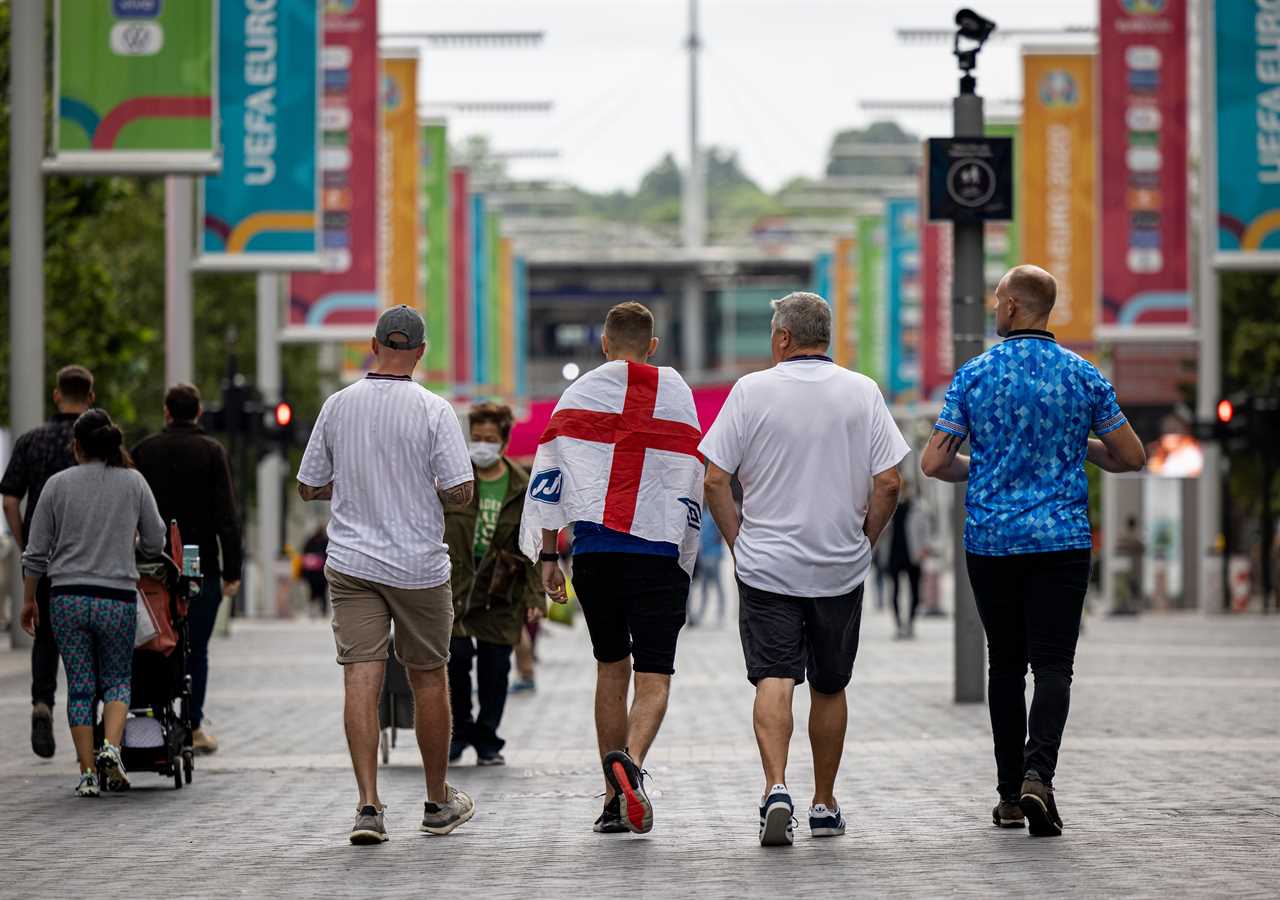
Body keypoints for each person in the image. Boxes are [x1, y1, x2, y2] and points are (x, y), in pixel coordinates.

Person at [921, 264, 1146, 837]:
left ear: (1015, 307)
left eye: (998, 300)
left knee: (1005, 665)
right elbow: (1130, 456)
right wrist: (1080, 446)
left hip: (992, 543)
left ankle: (1008, 795)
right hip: (1062, 542)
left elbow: (936, 463)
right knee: (1053, 666)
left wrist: (986, 466)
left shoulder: (974, 375)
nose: (994, 309)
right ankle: (1039, 776)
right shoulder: (1082, 376)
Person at [701, 292, 910, 847]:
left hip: (767, 566)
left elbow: (715, 479)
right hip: (839, 567)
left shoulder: (750, 391)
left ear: (784, 338)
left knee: (774, 676)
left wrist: (738, 541)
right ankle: (824, 802)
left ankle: (775, 788)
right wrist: (864, 541)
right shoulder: (862, 392)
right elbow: (890, 481)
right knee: (830, 685)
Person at [519, 301, 704, 836]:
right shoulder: (676, 393)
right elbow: (692, 471)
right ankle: (633, 766)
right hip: (659, 556)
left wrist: (551, 554)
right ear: (653, 345)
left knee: (610, 667)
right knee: (654, 676)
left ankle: (610, 796)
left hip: (597, 554)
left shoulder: (579, 393)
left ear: (603, 344)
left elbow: (553, 471)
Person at [297, 305, 477, 845]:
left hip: (351, 564)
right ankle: (437, 800)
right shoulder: (433, 410)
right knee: (428, 676)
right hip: (419, 565)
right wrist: (424, 488)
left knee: (360, 676)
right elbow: (460, 489)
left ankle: (368, 807)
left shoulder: (337, 406)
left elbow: (308, 486)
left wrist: (352, 486)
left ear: (373, 345)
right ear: (421, 352)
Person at [20, 409, 165, 797]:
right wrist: (136, 547)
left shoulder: (56, 485)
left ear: (77, 446)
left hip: (65, 598)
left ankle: (86, 775)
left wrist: (28, 600)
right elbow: (156, 538)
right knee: (118, 679)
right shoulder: (133, 482)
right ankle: (111, 750)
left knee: (80, 686)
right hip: (116, 597)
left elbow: (35, 553)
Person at [132, 384, 242, 755]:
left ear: (166, 412)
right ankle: (193, 725)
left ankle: (149, 717)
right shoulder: (212, 452)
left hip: (151, 569)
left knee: (154, 642)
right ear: (198, 413)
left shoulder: (143, 452)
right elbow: (227, 517)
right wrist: (232, 571)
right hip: (202, 568)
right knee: (197, 647)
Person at [1, 364, 95, 760]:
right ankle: (86, 724)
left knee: (46, 634)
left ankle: (42, 703)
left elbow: (9, 500)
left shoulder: (31, 441)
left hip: (45, 558)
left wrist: (26, 544)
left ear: (57, 395)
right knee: (87, 639)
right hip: (89, 556)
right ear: (90, 398)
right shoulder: (95, 443)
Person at [445, 402, 545, 766]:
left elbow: (531, 541)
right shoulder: (453, 478)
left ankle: (487, 737)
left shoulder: (521, 485)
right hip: (453, 588)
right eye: (476, 438)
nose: (481, 445)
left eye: (489, 439)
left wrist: (536, 595)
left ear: (503, 441)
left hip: (501, 591)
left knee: (495, 667)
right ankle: (458, 731)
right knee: (454, 661)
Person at [884, 478, 929, 639]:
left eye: (906, 488)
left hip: (913, 554)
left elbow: (925, 530)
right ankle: (898, 624)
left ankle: (910, 623)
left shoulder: (918, 508)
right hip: (894, 554)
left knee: (915, 592)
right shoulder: (890, 507)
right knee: (894, 591)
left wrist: (924, 548)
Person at [689, 508, 726, 627]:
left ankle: (720, 614)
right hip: (704, 555)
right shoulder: (703, 516)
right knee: (705, 588)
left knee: (717, 586)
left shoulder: (712, 516)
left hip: (713, 555)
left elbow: (719, 535)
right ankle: (702, 614)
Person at [301, 524, 330, 616]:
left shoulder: (310, 541)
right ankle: (322, 611)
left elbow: (304, 555)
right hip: (321, 573)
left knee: (313, 591)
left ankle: (313, 609)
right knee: (321, 592)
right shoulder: (325, 541)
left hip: (312, 573)